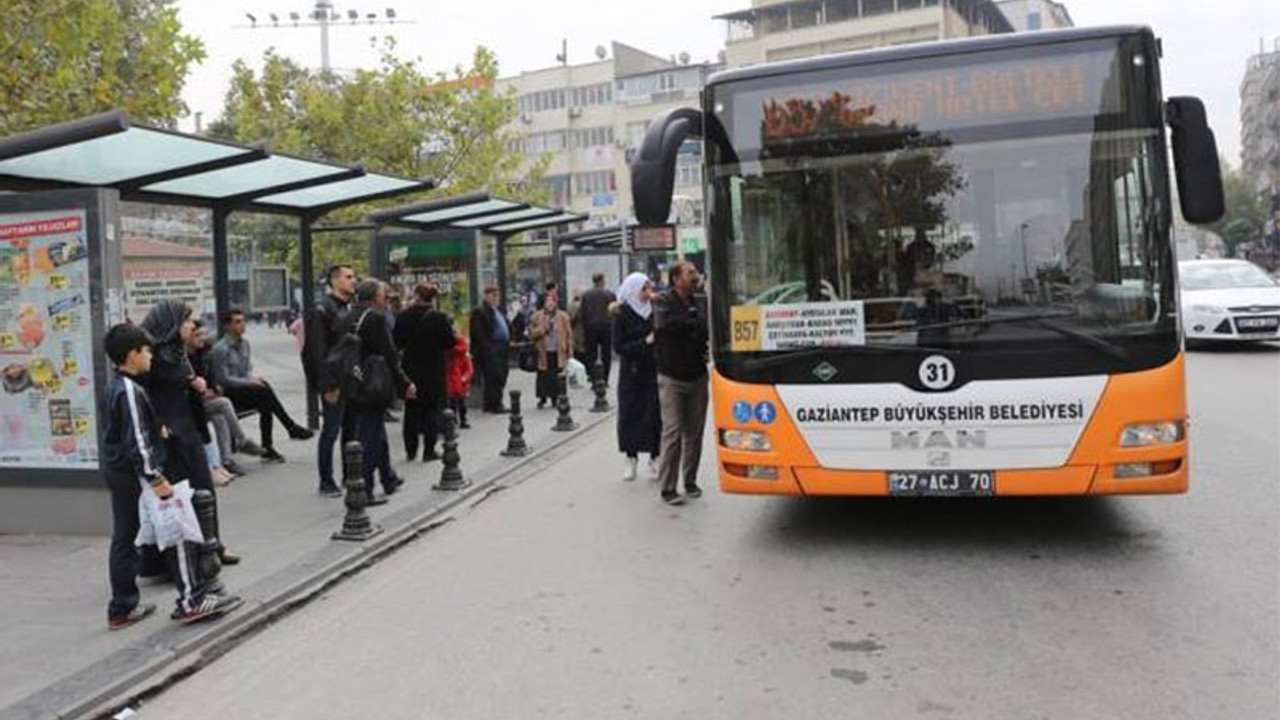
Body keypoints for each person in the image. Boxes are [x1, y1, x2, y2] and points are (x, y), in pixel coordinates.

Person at [101, 323, 242, 629]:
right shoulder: (129, 390)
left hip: (121, 472)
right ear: (131, 355)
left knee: (125, 538)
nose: (151, 355)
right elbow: (137, 440)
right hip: (142, 474)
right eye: (145, 350)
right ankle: (192, 600)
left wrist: (156, 429)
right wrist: (156, 478)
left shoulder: (116, 386)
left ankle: (122, 607)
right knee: (176, 531)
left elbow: (127, 431)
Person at [140, 301, 240, 564]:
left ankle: (212, 544)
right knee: (179, 496)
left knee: (203, 489)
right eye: (185, 322)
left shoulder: (179, 352)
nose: (191, 326)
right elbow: (144, 396)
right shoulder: (152, 356)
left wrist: (197, 383)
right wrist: (158, 424)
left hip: (190, 428)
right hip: (170, 435)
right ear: (172, 325)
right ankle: (182, 556)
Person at [339, 279, 415, 504]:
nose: (387, 298)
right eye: (384, 295)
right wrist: (405, 384)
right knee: (369, 437)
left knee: (375, 431)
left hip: (352, 382)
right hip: (372, 385)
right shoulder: (375, 318)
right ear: (374, 298)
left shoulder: (348, 315)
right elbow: (390, 355)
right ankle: (365, 489)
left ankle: (388, 478)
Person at [209, 308, 314, 464]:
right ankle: (289, 428)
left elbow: (246, 370)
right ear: (227, 326)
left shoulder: (245, 344)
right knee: (264, 393)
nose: (242, 325)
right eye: (237, 322)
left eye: (243, 321)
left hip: (244, 389)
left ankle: (271, 445)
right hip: (229, 391)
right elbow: (223, 379)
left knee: (265, 396)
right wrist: (249, 382)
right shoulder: (220, 349)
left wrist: (251, 380)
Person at [652, 261, 710, 505]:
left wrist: (690, 323)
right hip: (671, 377)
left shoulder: (700, 300)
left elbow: (706, 327)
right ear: (677, 279)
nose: (695, 276)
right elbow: (666, 325)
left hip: (697, 375)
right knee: (673, 432)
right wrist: (691, 322)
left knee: (694, 433)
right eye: (690, 273)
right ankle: (667, 487)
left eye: (695, 272)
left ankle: (690, 481)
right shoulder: (664, 301)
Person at [304, 264, 358, 497]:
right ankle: (326, 480)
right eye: (348, 277)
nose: (353, 281)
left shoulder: (347, 307)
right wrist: (327, 385)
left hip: (350, 379)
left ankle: (351, 475)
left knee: (351, 430)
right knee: (331, 431)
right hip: (334, 381)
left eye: (353, 277)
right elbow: (317, 351)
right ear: (335, 281)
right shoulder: (322, 310)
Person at [187, 326, 263, 477]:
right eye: (197, 335)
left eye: (203, 334)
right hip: (190, 405)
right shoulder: (183, 359)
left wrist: (213, 388)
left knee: (220, 417)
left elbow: (210, 379)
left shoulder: (203, 353)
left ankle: (226, 461)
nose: (202, 338)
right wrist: (202, 392)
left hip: (203, 402)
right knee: (224, 403)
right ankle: (241, 440)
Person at [394, 282, 455, 462]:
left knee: (411, 411)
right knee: (430, 412)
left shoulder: (404, 317)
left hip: (410, 370)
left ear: (416, 295)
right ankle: (429, 451)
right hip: (433, 370)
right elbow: (449, 343)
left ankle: (411, 451)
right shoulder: (439, 318)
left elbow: (397, 342)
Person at [613, 273, 661, 481]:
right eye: (644, 289)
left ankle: (655, 457)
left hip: (653, 370)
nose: (648, 293)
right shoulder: (622, 312)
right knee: (630, 414)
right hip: (631, 373)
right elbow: (619, 346)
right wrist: (645, 343)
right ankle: (631, 459)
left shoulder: (655, 310)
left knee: (654, 414)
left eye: (649, 288)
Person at [528, 290, 574, 409]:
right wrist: (542, 330)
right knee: (543, 375)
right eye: (547, 302)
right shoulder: (537, 316)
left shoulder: (563, 316)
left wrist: (570, 352)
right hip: (543, 351)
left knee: (556, 375)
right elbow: (531, 333)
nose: (550, 304)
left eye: (552, 302)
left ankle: (555, 397)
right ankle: (542, 398)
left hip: (558, 350)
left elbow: (569, 335)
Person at [469, 285, 511, 414]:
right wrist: (488, 348)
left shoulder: (497, 310)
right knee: (494, 376)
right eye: (493, 295)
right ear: (486, 296)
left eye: (497, 295)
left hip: (502, 348)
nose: (495, 298)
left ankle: (492, 402)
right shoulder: (480, 311)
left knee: (502, 374)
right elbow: (478, 333)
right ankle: (495, 404)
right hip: (491, 349)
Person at [579, 272, 617, 384]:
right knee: (606, 354)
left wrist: (585, 328)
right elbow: (614, 312)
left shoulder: (586, 296)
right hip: (606, 327)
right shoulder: (610, 294)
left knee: (591, 354)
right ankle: (605, 378)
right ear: (603, 281)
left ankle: (594, 378)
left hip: (591, 328)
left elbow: (583, 314)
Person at [446, 334, 474, 429]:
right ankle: (460, 420)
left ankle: (459, 419)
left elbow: (469, 370)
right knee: (458, 403)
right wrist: (465, 378)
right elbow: (469, 370)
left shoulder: (450, 356)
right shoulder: (462, 356)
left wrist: (464, 378)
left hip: (458, 384)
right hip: (458, 384)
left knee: (458, 404)